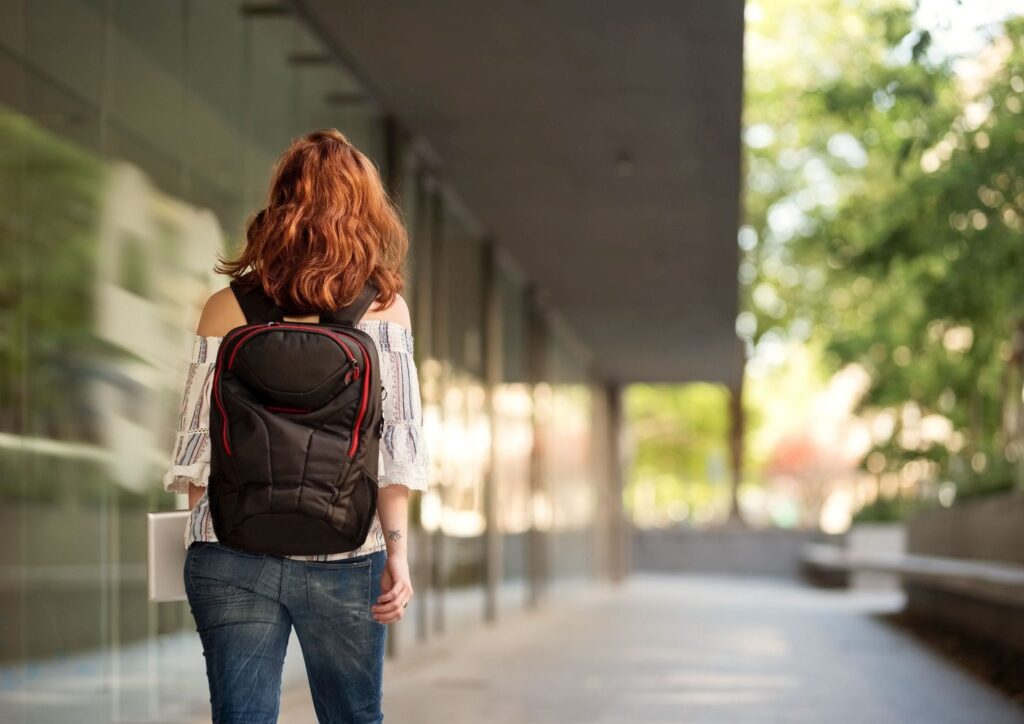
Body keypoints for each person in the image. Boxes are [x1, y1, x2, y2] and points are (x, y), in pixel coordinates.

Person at [161, 128, 431, 724]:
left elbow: (195, 452)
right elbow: (396, 449)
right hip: (348, 548)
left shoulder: (224, 309)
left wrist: (204, 539)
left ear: (280, 205)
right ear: (363, 210)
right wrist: (398, 554)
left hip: (232, 552)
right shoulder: (384, 311)